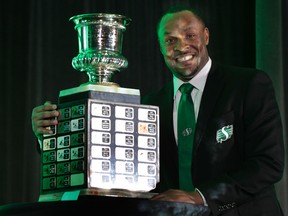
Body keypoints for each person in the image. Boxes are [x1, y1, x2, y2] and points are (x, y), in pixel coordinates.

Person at [32, 6, 285, 216]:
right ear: (161, 48)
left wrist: (201, 197)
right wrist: (52, 135)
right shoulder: (149, 106)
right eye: (170, 40)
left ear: (206, 36)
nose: (181, 46)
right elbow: (115, 166)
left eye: (190, 35)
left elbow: (268, 164)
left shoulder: (247, 85)